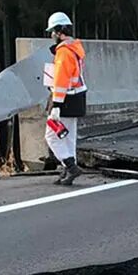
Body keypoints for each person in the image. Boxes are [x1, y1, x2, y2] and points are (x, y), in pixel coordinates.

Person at [44, 12, 87, 186]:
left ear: (59, 31)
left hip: (66, 100)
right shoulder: (75, 48)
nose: (52, 35)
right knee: (68, 137)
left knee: (52, 136)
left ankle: (70, 167)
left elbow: (61, 80)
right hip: (77, 97)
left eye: (53, 31)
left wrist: (56, 105)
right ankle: (68, 169)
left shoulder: (63, 52)